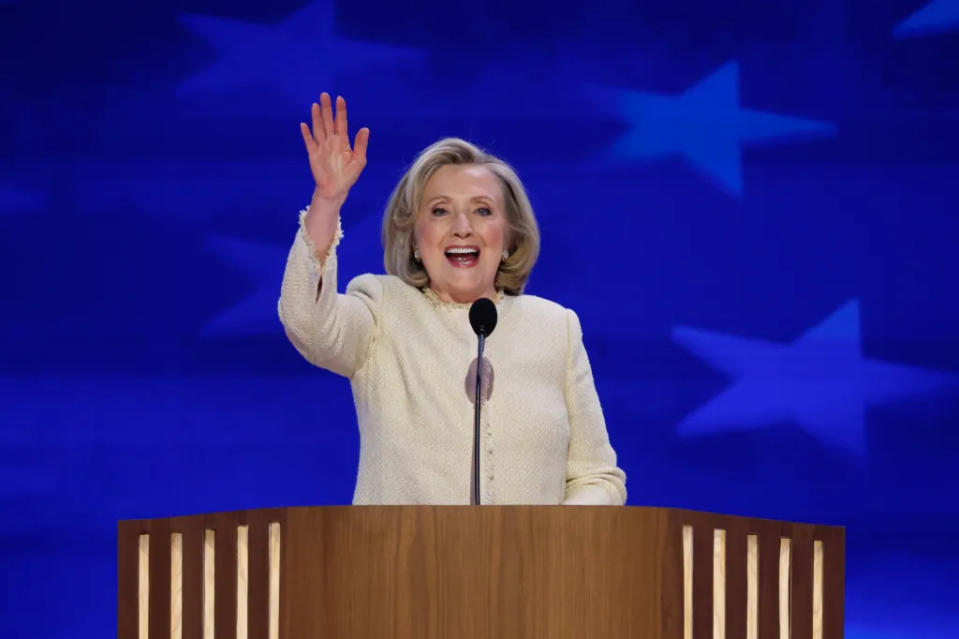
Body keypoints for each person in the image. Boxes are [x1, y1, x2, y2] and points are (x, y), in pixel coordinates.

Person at [278, 93, 626, 505]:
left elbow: (598, 478)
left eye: (482, 210)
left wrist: (551, 539)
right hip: (399, 566)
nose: (462, 227)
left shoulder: (555, 329)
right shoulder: (381, 309)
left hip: (534, 568)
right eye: (440, 211)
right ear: (412, 238)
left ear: (510, 236)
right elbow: (307, 322)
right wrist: (328, 202)